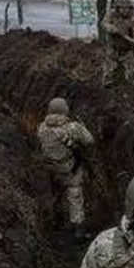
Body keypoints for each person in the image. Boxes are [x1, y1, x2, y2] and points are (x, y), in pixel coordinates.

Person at [37, 97, 95, 241]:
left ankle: (55, 220)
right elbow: (89, 141)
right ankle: (78, 230)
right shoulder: (72, 127)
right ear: (65, 110)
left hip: (51, 168)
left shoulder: (42, 127)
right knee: (75, 195)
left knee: (56, 194)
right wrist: (82, 126)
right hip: (70, 167)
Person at [102, 0, 134, 86]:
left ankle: (132, 86)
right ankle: (108, 85)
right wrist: (111, 28)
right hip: (113, 46)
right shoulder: (111, 15)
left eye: (126, 8)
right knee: (109, 68)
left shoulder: (133, 18)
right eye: (122, 8)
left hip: (127, 48)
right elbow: (104, 23)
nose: (124, 10)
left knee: (133, 70)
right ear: (117, 8)